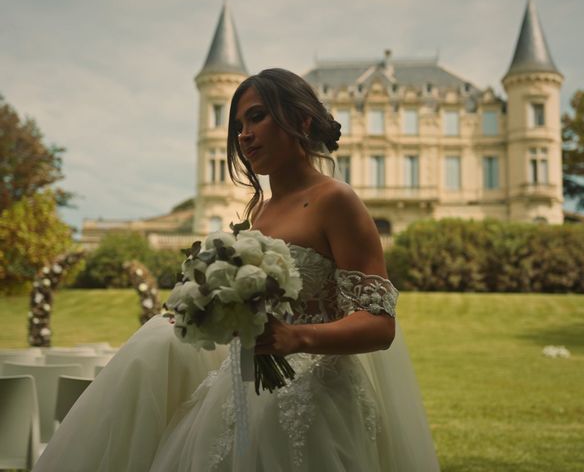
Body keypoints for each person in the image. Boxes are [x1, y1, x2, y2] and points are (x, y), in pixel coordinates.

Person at [34, 68, 440, 471]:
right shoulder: (257, 211)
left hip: (317, 397)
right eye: (239, 124)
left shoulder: (336, 201)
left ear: (302, 120)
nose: (243, 134)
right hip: (237, 389)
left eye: (258, 117)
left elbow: (379, 325)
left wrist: (296, 337)